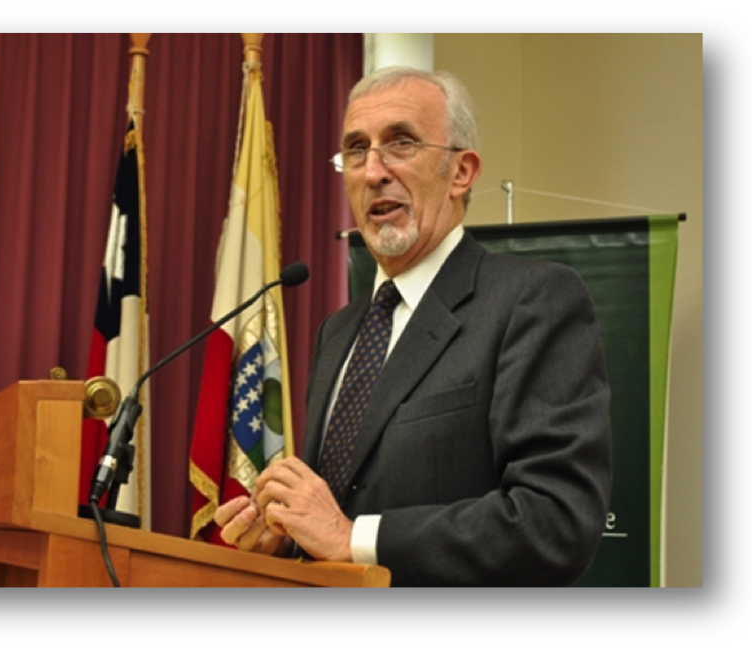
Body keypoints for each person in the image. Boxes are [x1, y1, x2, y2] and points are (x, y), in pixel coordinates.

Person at [214, 66, 613, 587]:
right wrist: (287, 537)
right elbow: (338, 512)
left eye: (400, 143)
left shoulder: (531, 301)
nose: (373, 172)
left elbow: (555, 521)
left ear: (461, 172)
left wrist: (353, 537)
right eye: (356, 150)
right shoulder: (337, 332)